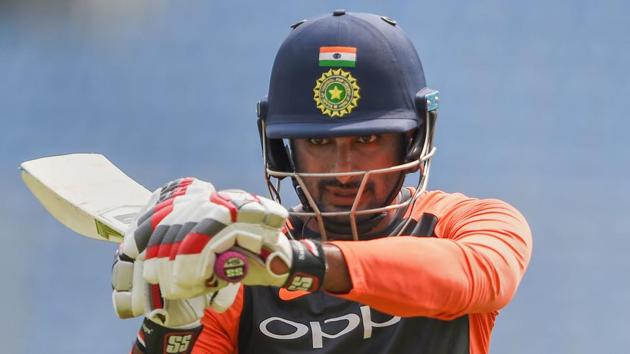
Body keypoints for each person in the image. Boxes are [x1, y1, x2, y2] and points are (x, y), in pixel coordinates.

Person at [111, 10, 532, 354]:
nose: (343, 171)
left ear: (412, 139)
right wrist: (171, 324)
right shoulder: (237, 276)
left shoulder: (470, 223)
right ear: (283, 148)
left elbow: (470, 275)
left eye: (367, 140)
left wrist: (296, 264)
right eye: (317, 142)